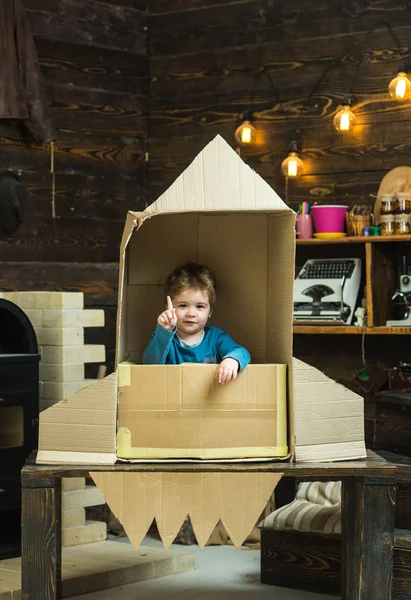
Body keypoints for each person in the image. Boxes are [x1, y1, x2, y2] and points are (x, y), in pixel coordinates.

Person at [143, 262, 250, 384]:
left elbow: (242, 352)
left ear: (210, 311)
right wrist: (164, 332)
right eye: (183, 305)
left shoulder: (216, 338)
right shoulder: (165, 337)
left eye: (199, 306)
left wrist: (232, 360)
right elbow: (148, 365)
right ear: (170, 307)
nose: (191, 313)